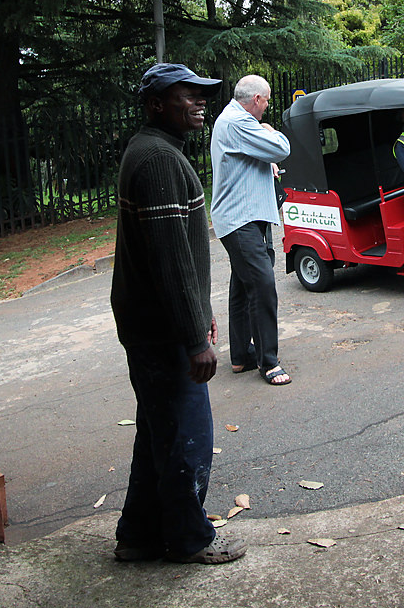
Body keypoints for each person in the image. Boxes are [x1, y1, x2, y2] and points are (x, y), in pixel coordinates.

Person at [110, 63, 245, 565]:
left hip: (150, 324)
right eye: (186, 95)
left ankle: (138, 535)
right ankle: (189, 540)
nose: (199, 102)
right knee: (188, 437)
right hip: (162, 332)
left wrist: (199, 314)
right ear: (156, 104)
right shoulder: (159, 161)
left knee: (157, 434)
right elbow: (171, 261)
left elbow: (173, 258)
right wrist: (195, 338)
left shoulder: (151, 152)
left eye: (202, 94)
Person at [210, 75, 292, 386]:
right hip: (240, 219)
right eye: (267, 100)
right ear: (256, 99)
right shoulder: (238, 122)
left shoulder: (232, 121)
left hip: (244, 217)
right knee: (262, 285)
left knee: (242, 287)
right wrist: (269, 132)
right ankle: (268, 362)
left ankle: (242, 355)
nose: (267, 107)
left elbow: (257, 157)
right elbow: (281, 147)